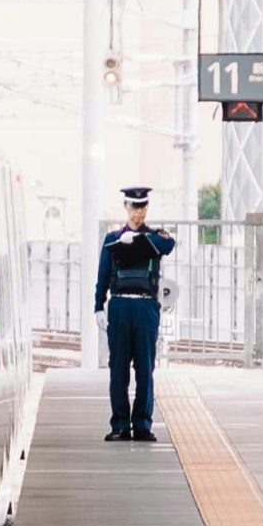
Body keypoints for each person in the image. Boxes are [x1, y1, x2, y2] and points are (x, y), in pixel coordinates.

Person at [94, 186, 176, 442]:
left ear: (146, 208)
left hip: (144, 306)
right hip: (120, 305)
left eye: (142, 207)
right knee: (118, 368)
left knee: (145, 367)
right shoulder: (112, 239)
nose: (138, 212)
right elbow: (103, 275)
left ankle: (142, 424)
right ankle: (120, 424)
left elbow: (168, 244)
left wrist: (141, 240)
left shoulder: (154, 238)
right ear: (126, 208)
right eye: (133, 207)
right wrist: (99, 305)